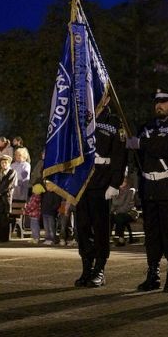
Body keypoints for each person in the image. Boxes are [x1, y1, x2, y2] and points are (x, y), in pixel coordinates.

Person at [126, 89, 168, 292]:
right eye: (156, 101)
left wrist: (142, 143)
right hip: (149, 187)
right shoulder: (146, 126)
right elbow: (140, 157)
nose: (158, 105)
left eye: (163, 101)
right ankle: (153, 273)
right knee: (151, 234)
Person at [73, 94, 127, 288]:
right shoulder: (80, 118)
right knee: (82, 227)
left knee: (101, 228)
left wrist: (115, 183)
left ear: (107, 99)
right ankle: (87, 267)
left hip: (102, 181)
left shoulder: (114, 122)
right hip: (81, 181)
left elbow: (119, 155)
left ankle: (100, 269)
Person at [0, 154, 17, 242]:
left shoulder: (12, 172)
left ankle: (5, 238)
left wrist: (0, 193)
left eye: (6, 163)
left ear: (9, 163)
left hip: (5, 198)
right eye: (2, 162)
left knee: (4, 219)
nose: (4, 164)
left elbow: (8, 184)